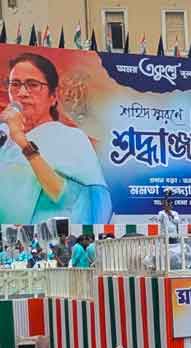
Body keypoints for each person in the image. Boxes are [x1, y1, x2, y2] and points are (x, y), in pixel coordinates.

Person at [0, 52, 111, 224]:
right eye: (15, 84)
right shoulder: (3, 134)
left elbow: (65, 199)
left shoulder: (70, 138)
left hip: (46, 241)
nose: (22, 92)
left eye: (32, 84)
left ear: (53, 96)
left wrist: (22, 142)